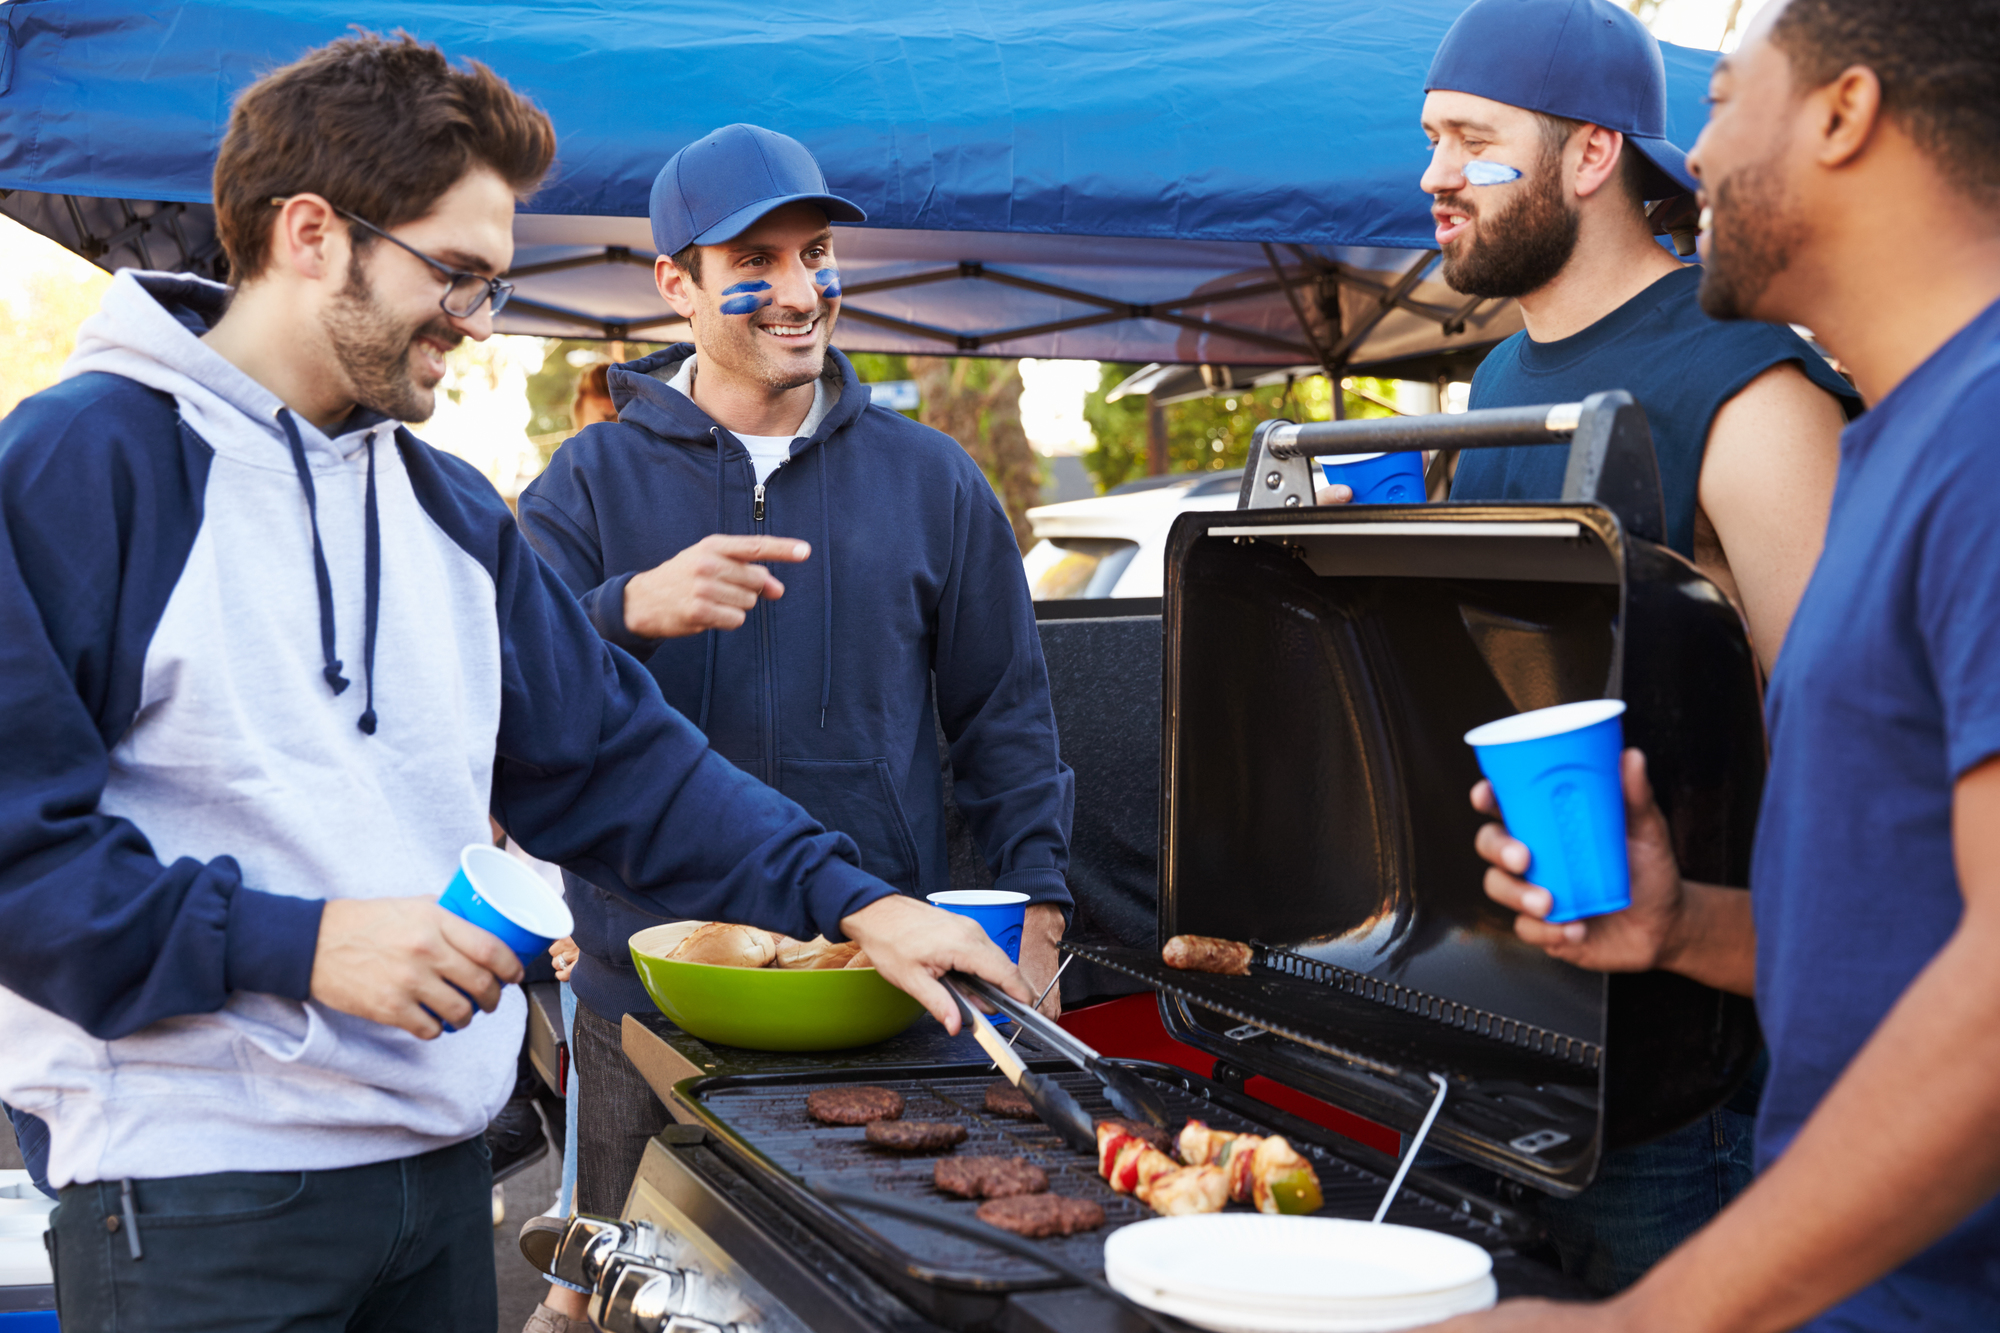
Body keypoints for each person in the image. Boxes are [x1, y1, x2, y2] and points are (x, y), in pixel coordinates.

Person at [0, 36, 1027, 1333]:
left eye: (494, 282)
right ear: (312, 233)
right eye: (457, 276)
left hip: (437, 1188)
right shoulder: (83, 463)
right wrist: (302, 945)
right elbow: (17, 864)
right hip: (196, 1205)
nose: (480, 323)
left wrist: (855, 898)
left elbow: (617, 767)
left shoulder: (448, 508)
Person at [1436, 0, 2000, 1327]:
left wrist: (1652, 1319)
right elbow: (1897, 910)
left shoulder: (1975, 440)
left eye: (1726, 101)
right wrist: (1683, 925)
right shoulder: (1914, 435)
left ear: (1844, 114)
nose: (1691, 160)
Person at [1322, 0, 1859, 1294]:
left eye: (1470, 137)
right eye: (1431, 138)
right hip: (1500, 1043)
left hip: (1690, 1084)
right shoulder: (1497, 383)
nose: (1432, 174)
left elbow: (1855, 773)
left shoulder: (1748, 383)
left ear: (1591, 156)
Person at [515, 123, 1074, 1333]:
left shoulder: (936, 480)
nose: (799, 287)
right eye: (753, 257)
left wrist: (1037, 916)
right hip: (642, 1002)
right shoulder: (587, 484)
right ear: (675, 283)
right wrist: (630, 608)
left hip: (868, 988)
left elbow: (1006, 723)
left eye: (815, 251)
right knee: (605, 1311)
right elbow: (501, 689)